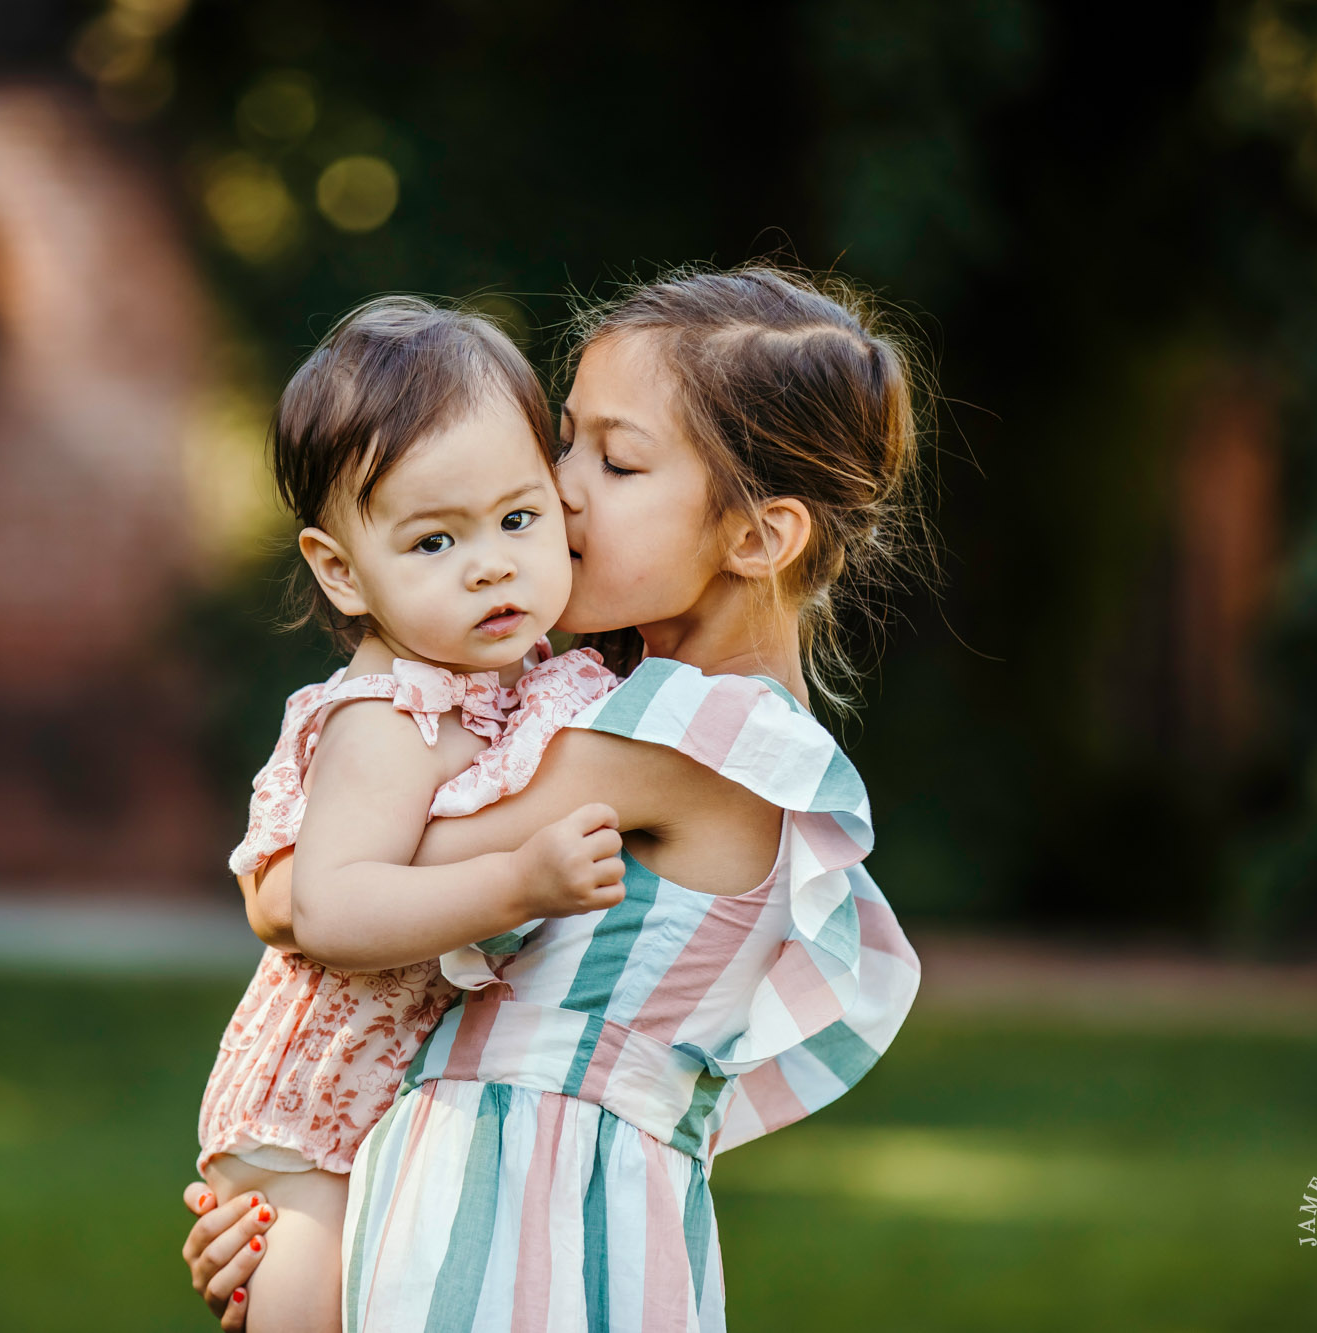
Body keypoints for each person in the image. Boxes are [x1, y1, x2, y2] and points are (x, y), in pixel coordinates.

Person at [185, 265, 926, 1332]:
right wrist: (299, 1218)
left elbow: (306, 892)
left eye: (616, 461)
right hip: (484, 1196)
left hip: (522, 1222)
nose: (560, 482)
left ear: (758, 537)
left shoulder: (680, 740)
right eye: (565, 438)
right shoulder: (619, 704)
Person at [193, 295, 626, 1333]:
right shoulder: (388, 718)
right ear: (341, 570)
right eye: (434, 541)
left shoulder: (530, 683)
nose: (489, 564)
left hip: (409, 1111)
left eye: (517, 520)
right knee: (308, 1310)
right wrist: (517, 882)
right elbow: (331, 912)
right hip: (308, 1121)